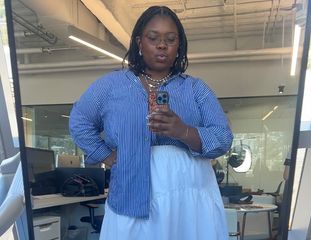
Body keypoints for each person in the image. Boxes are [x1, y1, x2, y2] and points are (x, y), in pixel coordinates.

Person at [69, 5, 233, 240]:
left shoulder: (196, 89)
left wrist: (183, 131)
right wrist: (105, 155)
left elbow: (223, 138)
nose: (162, 45)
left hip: (189, 196)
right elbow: (79, 120)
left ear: (179, 46)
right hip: (130, 192)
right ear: (139, 42)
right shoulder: (111, 86)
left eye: (170, 39)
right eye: (153, 37)